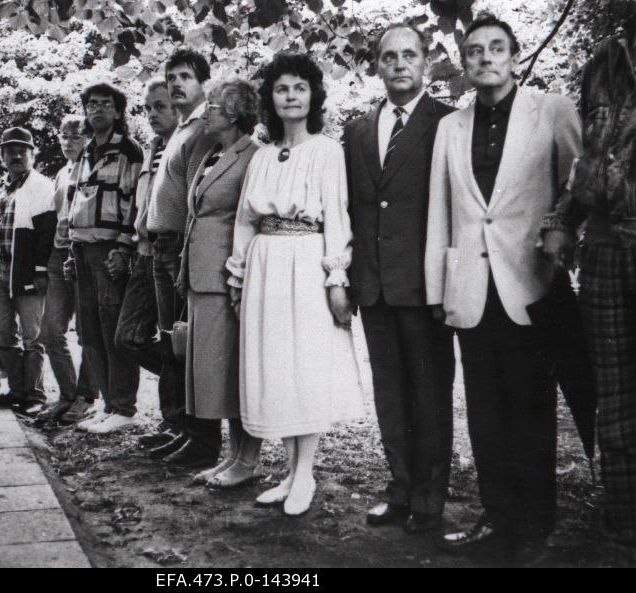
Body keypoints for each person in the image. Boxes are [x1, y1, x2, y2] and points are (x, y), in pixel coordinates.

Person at [424, 14, 581, 564]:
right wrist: (440, 289)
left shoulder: (552, 111)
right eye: (474, 51)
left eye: (497, 48)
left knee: (531, 407)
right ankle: (496, 517)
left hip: (531, 283)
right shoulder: (452, 128)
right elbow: (442, 214)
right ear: (464, 65)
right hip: (470, 286)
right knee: (485, 409)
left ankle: (536, 526)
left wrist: (564, 237)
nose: (486, 57)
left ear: (514, 57)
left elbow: (577, 185)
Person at [226, 53, 364, 516]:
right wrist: (239, 275)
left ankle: (305, 472)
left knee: (305, 366)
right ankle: (288, 472)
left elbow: (337, 219)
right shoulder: (262, 156)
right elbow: (245, 221)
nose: (290, 96)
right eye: (282, 89)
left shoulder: (326, 151)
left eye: (299, 88)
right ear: (271, 99)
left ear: (313, 97)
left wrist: (336, 277)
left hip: (306, 263)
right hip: (266, 266)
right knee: (278, 368)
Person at [343, 24, 456, 534]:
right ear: (377, 66)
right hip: (373, 283)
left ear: (426, 62)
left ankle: (431, 500)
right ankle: (400, 488)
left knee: (430, 392)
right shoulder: (358, 130)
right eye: (389, 56)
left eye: (409, 54)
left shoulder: (449, 124)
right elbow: (353, 208)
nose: (399, 64)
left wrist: (445, 282)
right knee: (389, 392)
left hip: (423, 285)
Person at [541, 15, 636, 565]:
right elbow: (591, 162)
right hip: (603, 252)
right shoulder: (605, 61)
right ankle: (622, 530)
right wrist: (562, 220)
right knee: (616, 398)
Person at [177, 80, 261, 485]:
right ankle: (233, 456)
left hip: (224, 276)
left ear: (233, 114)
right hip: (199, 275)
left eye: (213, 106)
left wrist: (238, 275)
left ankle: (246, 460)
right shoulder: (214, 153)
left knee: (232, 371)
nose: (206, 111)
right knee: (217, 373)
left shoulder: (252, 156)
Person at [145, 49, 221, 467]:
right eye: (171, 77)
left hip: (180, 246)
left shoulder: (204, 127)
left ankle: (203, 441)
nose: (176, 84)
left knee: (187, 345)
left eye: (186, 77)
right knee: (171, 343)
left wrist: (183, 258)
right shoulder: (180, 127)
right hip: (161, 244)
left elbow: (197, 199)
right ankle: (183, 431)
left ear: (203, 83)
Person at [63, 82, 143, 435]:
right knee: (89, 331)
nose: (96, 110)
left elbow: (135, 203)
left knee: (113, 328)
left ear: (117, 111)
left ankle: (124, 407)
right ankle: (108, 405)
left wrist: (123, 247)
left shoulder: (128, 150)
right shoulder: (84, 152)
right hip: (81, 248)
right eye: (90, 104)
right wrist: (69, 249)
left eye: (104, 104)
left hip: (109, 250)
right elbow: (74, 203)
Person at [113, 80, 179, 436]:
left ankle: (174, 420)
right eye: (148, 108)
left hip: (170, 255)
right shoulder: (152, 148)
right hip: (143, 253)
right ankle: (181, 394)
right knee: (127, 337)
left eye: (161, 106)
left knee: (173, 342)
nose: (153, 114)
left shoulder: (186, 147)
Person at [0, 127, 57, 416]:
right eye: (10, 151)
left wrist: (39, 270)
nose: (16, 155)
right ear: (1, 156)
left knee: (33, 336)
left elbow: (46, 232)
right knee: (0, 333)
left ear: (32, 154)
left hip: (25, 268)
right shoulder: (0, 187)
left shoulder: (40, 186)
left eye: (22, 150)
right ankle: (17, 388)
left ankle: (35, 394)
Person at [36, 114, 100, 425]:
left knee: (87, 332)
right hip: (57, 254)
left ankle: (86, 396)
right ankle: (68, 393)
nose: (68, 142)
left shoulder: (95, 167)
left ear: (88, 138)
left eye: (76, 136)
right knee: (50, 330)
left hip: (83, 254)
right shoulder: (61, 172)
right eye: (64, 136)